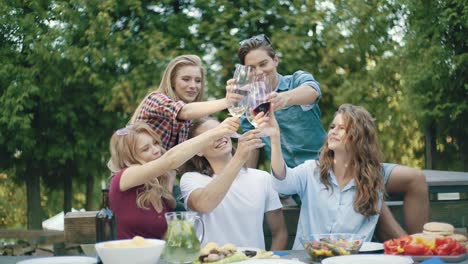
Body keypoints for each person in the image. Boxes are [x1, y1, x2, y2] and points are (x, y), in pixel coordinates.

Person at [236, 34, 429, 235]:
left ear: (275, 61)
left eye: (263, 63)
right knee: (369, 192)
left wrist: (284, 98)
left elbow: (312, 92)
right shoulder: (249, 104)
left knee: (412, 179)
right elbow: (251, 148)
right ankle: (414, 252)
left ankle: (421, 244)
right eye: (251, 68)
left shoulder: (296, 81)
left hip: (336, 162)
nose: (258, 72)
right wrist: (244, 185)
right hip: (298, 178)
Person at [263, 103, 387, 249]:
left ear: (358, 137)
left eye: (342, 128)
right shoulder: (311, 171)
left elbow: (364, 236)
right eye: (333, 127)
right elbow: (281, 183)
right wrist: (275, 139)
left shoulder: (371, 181)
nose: (333, 132)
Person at [107, 118, 239, 239]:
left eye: (155, 143)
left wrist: (168, 184)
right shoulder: (123, 178)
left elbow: (167, 238)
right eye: (146, 149)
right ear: (130, 158)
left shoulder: (158, 187)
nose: (156, 150)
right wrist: (217, 132)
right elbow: (170, 160)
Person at [179, 117, 288, 250]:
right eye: (211, 135)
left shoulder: (262, 178)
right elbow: (204, 205)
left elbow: (280, 233)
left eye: (221, 130)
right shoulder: (191, 179)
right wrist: (239, 157)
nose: (219, 137)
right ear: (198, 151)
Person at [131, 54, 240, 151]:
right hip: (137, 171)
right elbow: (184, 112)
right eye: (186, 79)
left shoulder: (195, 117)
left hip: (164, 173)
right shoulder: (156, 99)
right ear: (172, 81)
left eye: (198, 81)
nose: (193, 86)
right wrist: (227, 101)